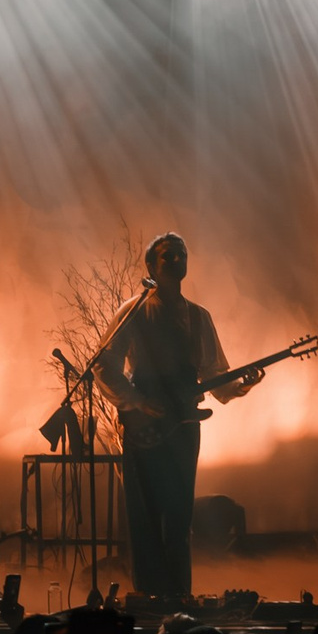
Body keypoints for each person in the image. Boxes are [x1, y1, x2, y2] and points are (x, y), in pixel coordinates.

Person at [93, 232, 256, 602]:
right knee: (145, 519)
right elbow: (104, 364)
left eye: (181, 254)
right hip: (143, 430)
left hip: (184, 429)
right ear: (150, 265)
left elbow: (216, 374)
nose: (176, 261)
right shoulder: (133, 311)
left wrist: (243, 385)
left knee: (179, 519)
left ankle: (179, 599)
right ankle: (148, 601)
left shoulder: (199, 318)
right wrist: (136, 401)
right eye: (168, 256)